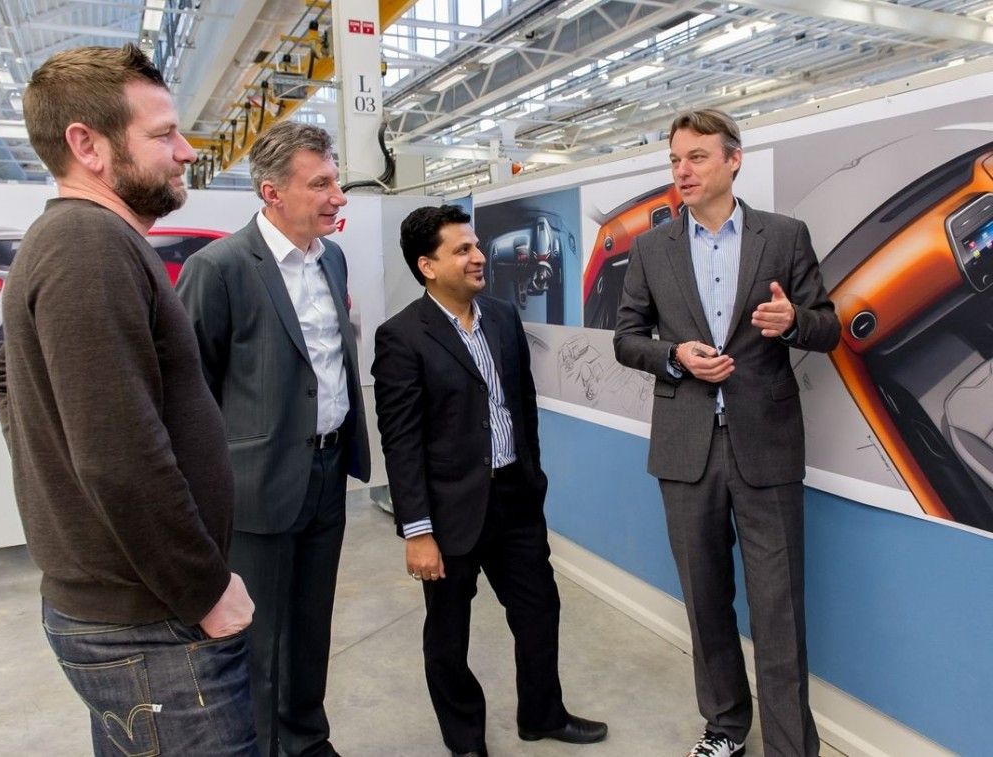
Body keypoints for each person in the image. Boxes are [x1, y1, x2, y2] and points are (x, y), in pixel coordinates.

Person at [0, 44, 257, 755]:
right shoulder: (88, 243)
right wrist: (203, 588)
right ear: (88, 146)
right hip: (153, 623)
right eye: (163, 134)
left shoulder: (81, 240)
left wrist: (62, 485)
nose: (187, 151)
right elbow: (119, 457)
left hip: (135, 615)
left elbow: (6, 379)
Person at [614, 109, 840, 757]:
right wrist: (674, 355)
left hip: (766, 443)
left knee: (779, 607)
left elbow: (827, 325)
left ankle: (791, 746)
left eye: (696, 157)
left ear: (733, 160)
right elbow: (627, 337)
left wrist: (793, 321)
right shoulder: (652, 248)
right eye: (674, 160)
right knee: (705, 600)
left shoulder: (784, 236)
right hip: (686, 447)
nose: (682, 171)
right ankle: (725, 728)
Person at [372, 205, 608, 757]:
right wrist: (418, 531)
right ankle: (466, 742)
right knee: (449, 635)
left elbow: (521, 406)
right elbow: (401, 442)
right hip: (449, 511)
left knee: (539, 610)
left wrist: (533, 479)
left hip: (515, 499)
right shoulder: (401, 336)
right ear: (428, 266)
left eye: (476, 246)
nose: (479, 257)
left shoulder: (501, 318)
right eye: (462, 250)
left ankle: (542, 715)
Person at [176, 119, 370, 757]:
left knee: (312, 624)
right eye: (321, 184)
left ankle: (307, 739)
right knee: (256, 640)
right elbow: (191, 393)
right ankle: (258, 746)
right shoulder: (219, 268)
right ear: (272, 192)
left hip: (329, 471)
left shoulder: (331, 258)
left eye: (336, 181)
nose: (337, 197)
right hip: (255, 484)